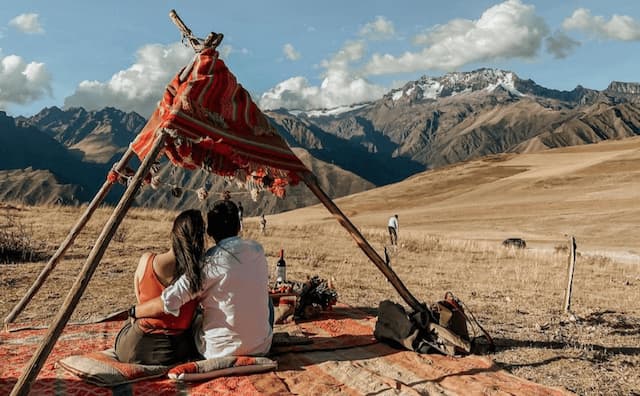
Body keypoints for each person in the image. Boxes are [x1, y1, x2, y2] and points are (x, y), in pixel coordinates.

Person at [132, 200, 273, 359]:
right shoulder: (257, 250)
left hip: (219, 352)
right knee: (265, 301)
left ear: (210, 232)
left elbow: (170, 301)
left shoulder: (208, 263)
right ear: (239, 226)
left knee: (196, 315)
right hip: (261, 347)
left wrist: (134, 311)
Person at [114, 210, 205, 365]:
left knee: (129, 322)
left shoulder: (147, 261)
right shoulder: (198, 274)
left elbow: (140, 300)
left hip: (134, 349)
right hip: (177, 352)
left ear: (173, 235)